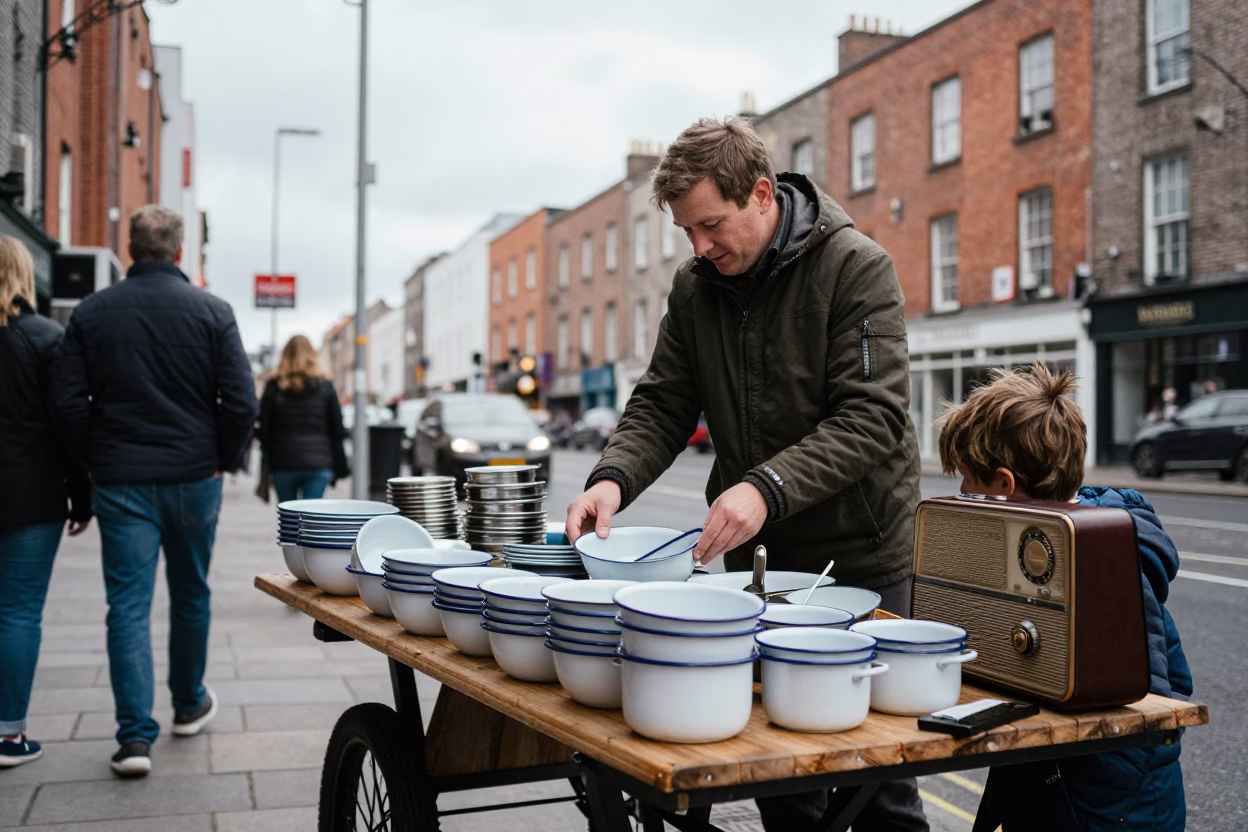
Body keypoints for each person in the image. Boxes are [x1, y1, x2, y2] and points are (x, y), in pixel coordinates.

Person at [565, 118, 926, 831]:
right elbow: (664, 402)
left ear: (762, 194)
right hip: (763, 568)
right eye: (687, 232)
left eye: (711, 225)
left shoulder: (856, 267)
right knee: (778, 775)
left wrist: (764, 486)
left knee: (879, 775)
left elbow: (872, 418)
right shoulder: (696, 288)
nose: (699, 247)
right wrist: (611, 480)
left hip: (865, 556)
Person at [937, 364, 1191, 832]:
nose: (962, 501)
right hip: (1061, 781)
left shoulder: (1101, 561)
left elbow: (1144, 709)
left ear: (1004, 486)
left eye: (968, 490)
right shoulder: (1047, 545)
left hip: (1109, 806)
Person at [52, 205, 258, 777]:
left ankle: (134, 739)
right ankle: (189, 703)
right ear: (179, 251)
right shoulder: (213, 312)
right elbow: (241, 402)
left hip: (121, 482)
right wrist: (222, 460)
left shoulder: (92, 314)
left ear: (132, 247)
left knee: (127, 607)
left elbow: (67, 404)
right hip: (195, 478)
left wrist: (90, 461)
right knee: (191, 593)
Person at [0, 237, 93, 768]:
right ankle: (9, 734)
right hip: (30, 497)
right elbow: (67, 427)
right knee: (17, 614)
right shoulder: (45, 339)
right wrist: (82, 498)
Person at [258, 334, 349, 502]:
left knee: (289, 521)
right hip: (318, 463)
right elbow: (337, 428)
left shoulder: (274, 386)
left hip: (283, 462)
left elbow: (265, 429)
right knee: (310, 518)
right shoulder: (325, 386)